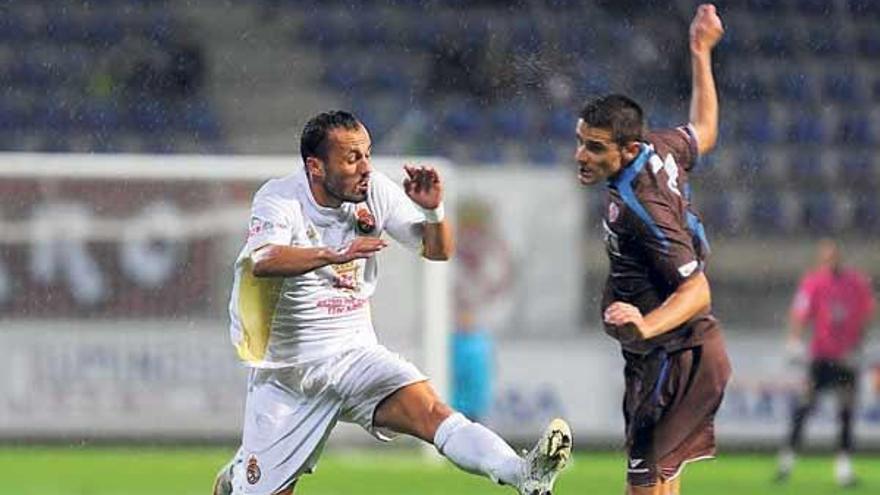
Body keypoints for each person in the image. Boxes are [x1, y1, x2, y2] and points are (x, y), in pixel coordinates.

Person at [213, 110, 571, 495]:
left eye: (367, 154)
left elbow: (437, 250)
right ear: (315, 166)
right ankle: (239, 476)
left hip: (355, 355)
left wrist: (434, 211)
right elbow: (264, 260)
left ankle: (523, 472)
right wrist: (334, 253)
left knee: (433, 412)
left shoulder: (375, 190)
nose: (365, 167)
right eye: (352, 158)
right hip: (288, 375)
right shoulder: (280, 197)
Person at [573, 5, 729, 494]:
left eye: (596, 148)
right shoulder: (657, 147)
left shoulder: (646, 206)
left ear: (626, 149)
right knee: (661, 480)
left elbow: (697, 289)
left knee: (643, 484)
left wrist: (646, 324)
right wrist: (700, 52)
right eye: (580, 142)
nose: (582, 156)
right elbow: (704, 131)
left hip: (674, 351)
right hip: (664, 353)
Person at [776, 239, 875, 487]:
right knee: (805, 407)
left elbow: (868, 313)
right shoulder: (813, 283)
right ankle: (786, 463)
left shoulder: (857, 283)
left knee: (846, 411)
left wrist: (859, 344)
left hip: (846, 358)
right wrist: (794, 340)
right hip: (821, 356)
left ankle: (844, 470)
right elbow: (800, 313)